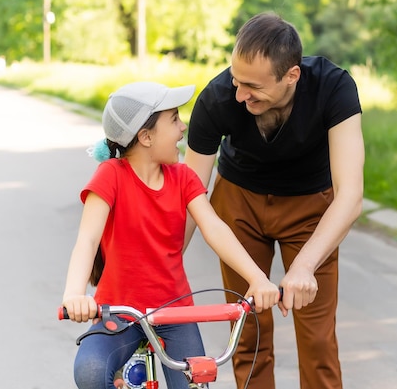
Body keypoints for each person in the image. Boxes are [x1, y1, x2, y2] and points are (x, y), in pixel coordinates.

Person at [183, 12, 365, 389]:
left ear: (291, 76)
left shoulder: (334, 88)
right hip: (239, 205)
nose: (239, 94)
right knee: (248, 332)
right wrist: (165, 262)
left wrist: (303, 267)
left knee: (317, 339)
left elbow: (350, 195)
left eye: (252, 86)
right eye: (236, 79)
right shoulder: (217, 99)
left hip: (310, 209)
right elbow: (190, 193)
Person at [61, 81, 281, 389]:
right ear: (146, 136)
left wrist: (257, 279)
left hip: (174, 312)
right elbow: (87, 240)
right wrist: (74, 294)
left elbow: (214, 228)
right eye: (175, 119)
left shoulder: (183, 178)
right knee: (90, 371)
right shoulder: (111, 176)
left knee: (197, 381)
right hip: (119, 313)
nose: (183, 128)